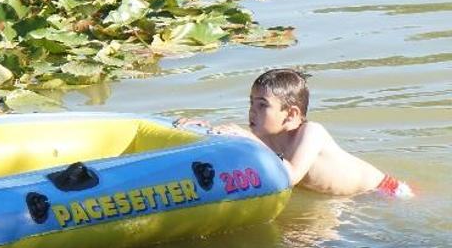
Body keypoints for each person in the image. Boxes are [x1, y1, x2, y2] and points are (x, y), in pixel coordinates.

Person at [176, 68, 413, 198]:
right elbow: (234, 142)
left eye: (262, 105)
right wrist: (203, 128)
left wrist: (249, 139)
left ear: (290, 115)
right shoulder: (265, 136)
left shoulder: (312, 133)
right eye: (251, 103)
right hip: (336, 198)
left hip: (386, 193)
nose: (252, 111)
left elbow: (290, 176)